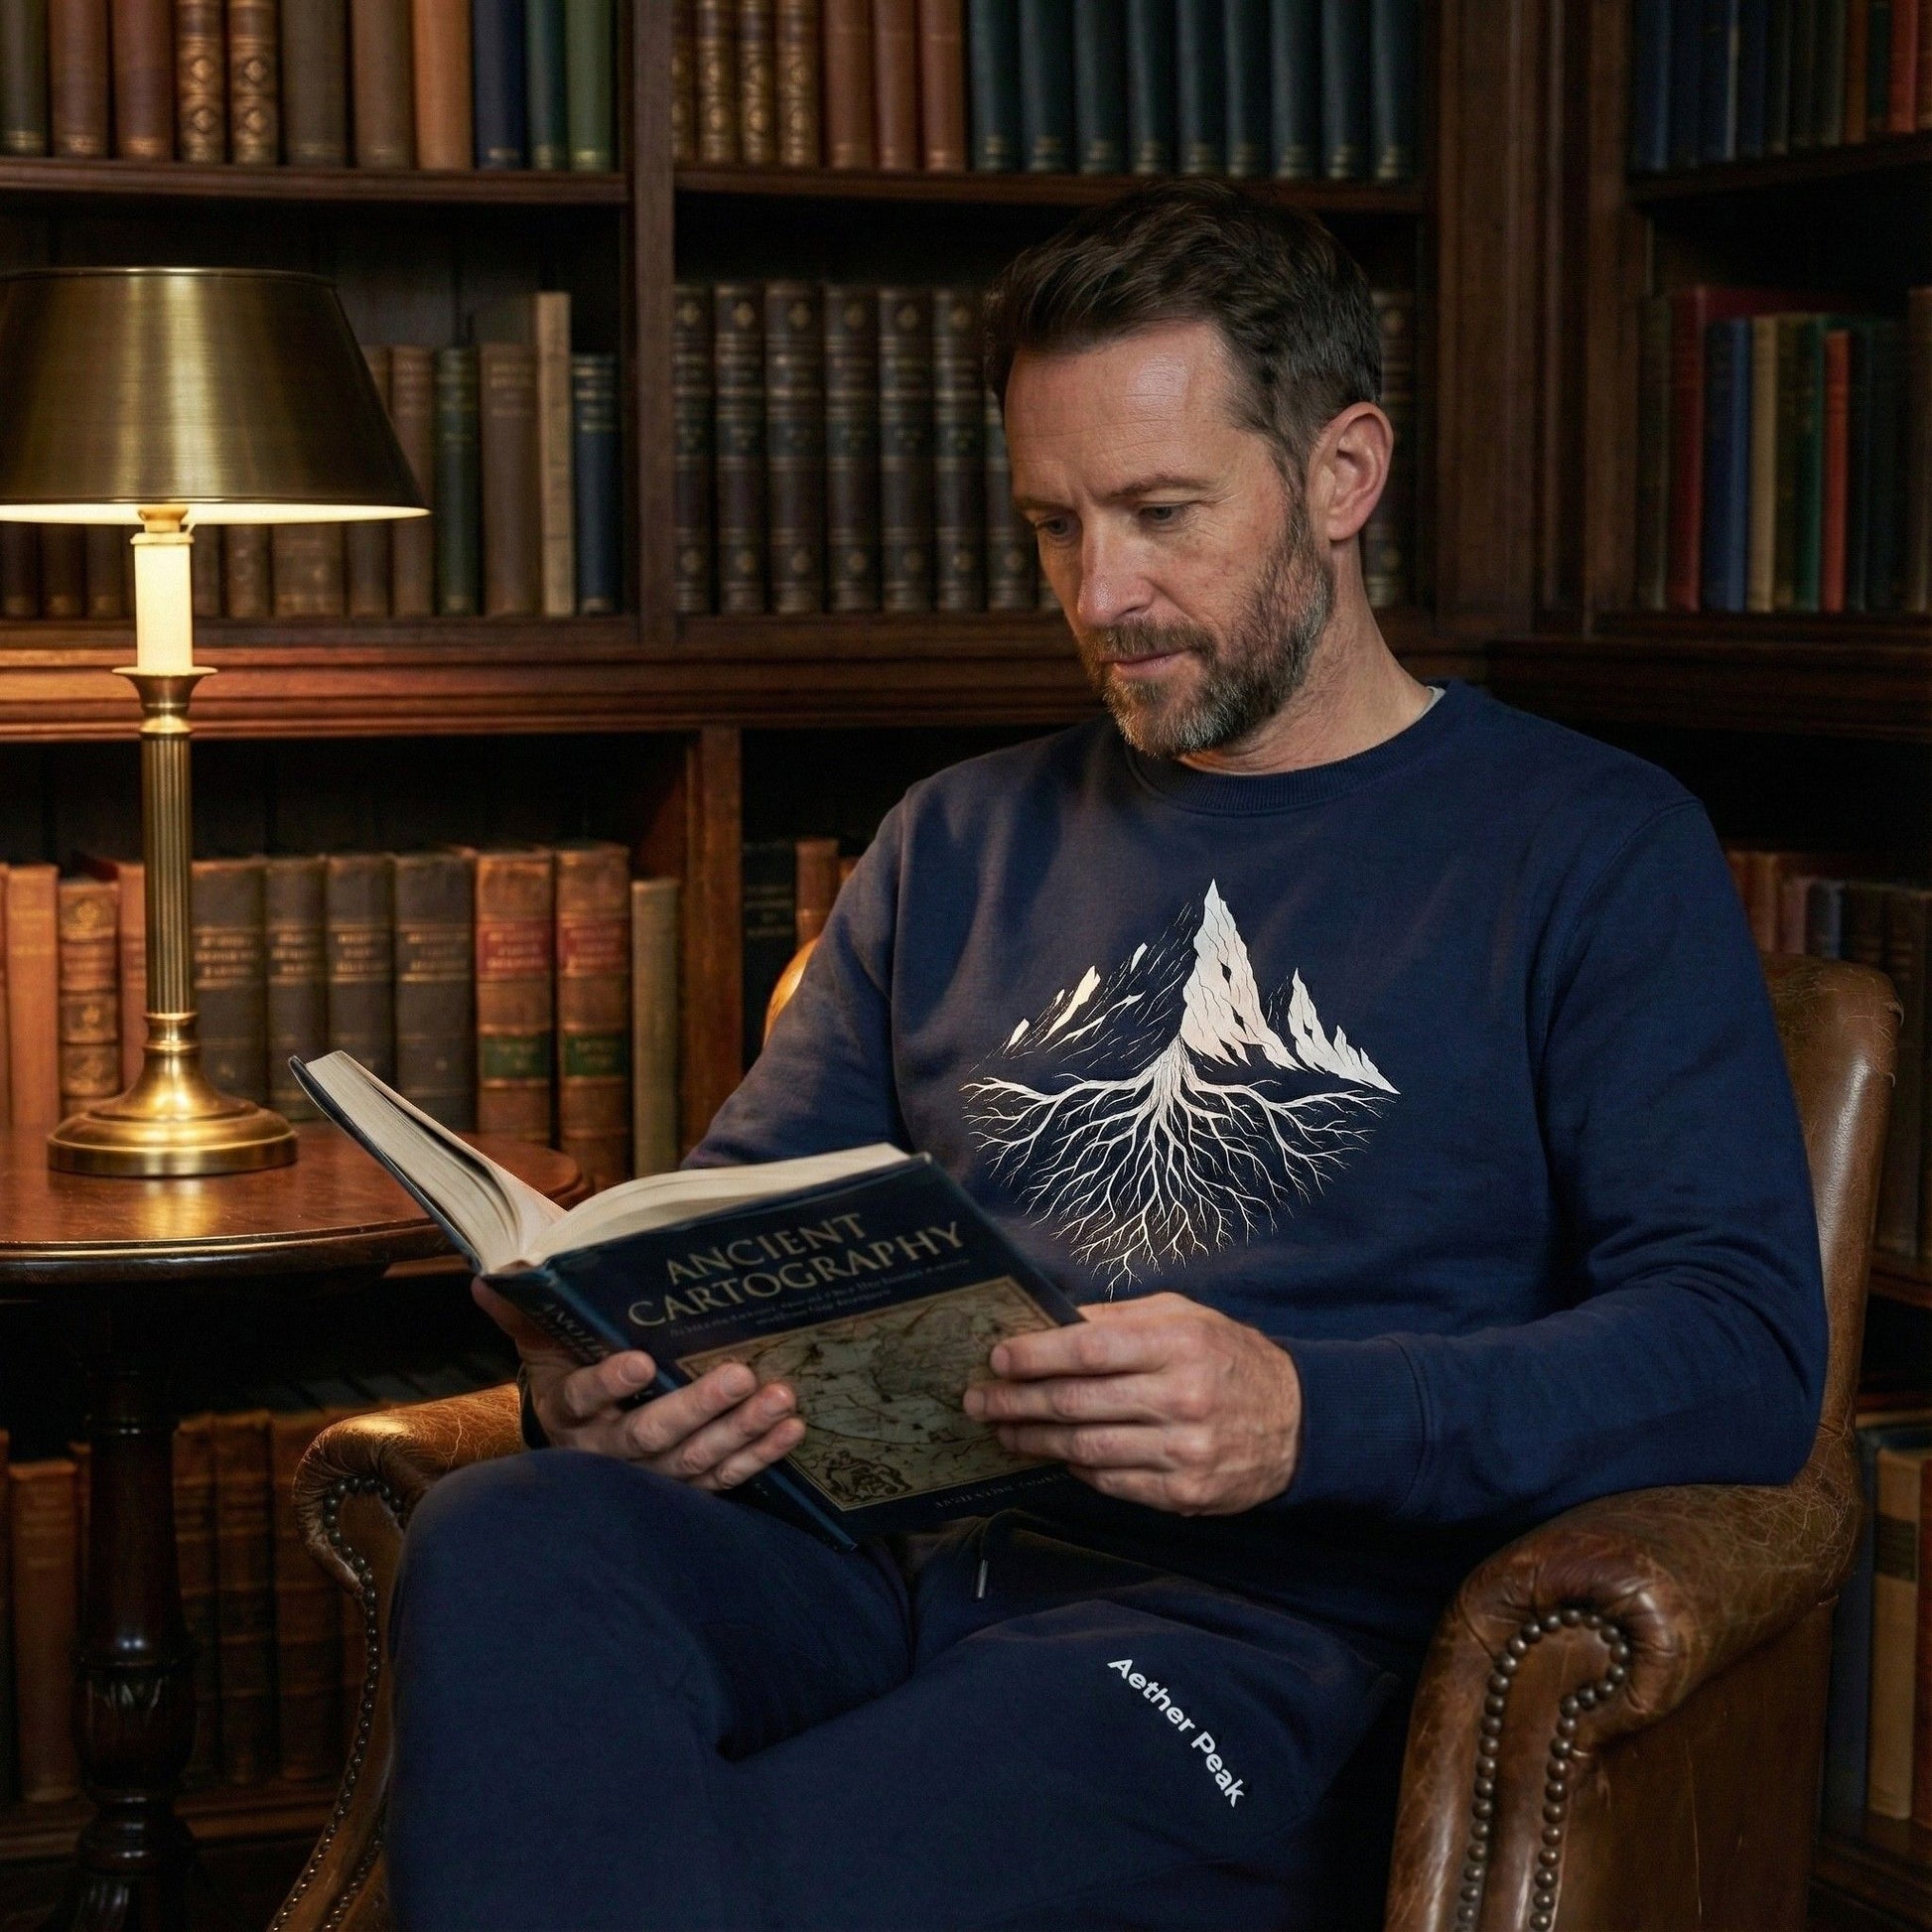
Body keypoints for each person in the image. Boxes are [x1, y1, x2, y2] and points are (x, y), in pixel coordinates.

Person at [386, 182, 1825, 1932]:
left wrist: (1304, 1414)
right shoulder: (953, 840)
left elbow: (1737, 1351)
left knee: (751, 1869)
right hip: (878, 1561)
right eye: (1054, 525)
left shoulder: (1588, 846)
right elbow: (750, 1221)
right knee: (510, 1538)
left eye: (1160, 513)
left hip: (1252, 1636)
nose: (1102, 594)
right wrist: (601, 1364)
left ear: (1342, 473)